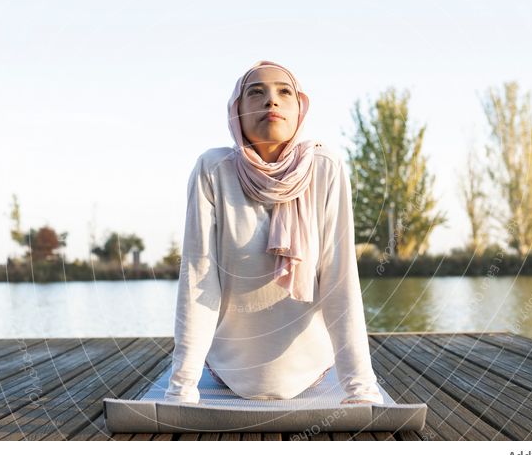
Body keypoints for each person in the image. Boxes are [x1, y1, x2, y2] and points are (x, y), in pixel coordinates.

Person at [163, 60, 384, 406]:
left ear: (300, 110)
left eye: (284, 92)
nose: (271, 101)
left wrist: (361, 388)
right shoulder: (213, 169)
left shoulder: (325, 167)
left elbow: (339, 279)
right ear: (236, 112)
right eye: (256, 93)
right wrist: (182, 387)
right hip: (228, 372)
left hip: (313, 372)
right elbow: (199, 281)